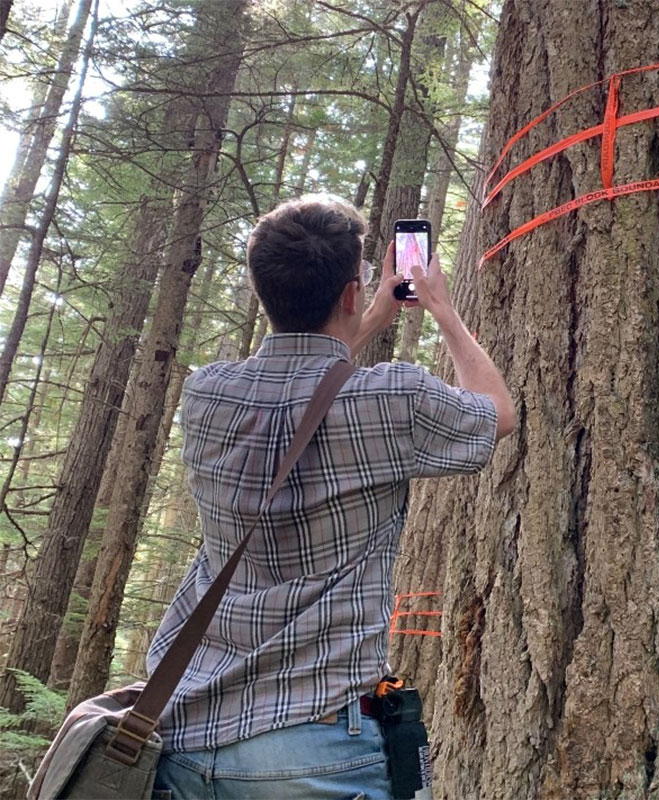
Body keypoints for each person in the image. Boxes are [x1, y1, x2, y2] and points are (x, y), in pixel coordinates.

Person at [148, 194, 515, 799]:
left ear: (263, 291)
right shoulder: (392, 398)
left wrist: (362, 319)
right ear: (349, 292)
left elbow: (300, 387)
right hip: (314, 748)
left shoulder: (206, 395)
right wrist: (445, 312)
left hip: (184, 736)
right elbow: (497, 415)